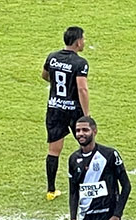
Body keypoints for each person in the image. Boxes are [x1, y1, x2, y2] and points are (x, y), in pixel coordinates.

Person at [68, 116, 131, 220]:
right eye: (78, 131)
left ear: (94, 131)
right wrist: (73, 219)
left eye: (85, 130)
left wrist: (116, 217)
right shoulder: (73, 159)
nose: (81, 134)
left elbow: (126, 186)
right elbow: (73, 191)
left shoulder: (109, 155)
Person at [42, 26, 90, 201]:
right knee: (87, 147)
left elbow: (44, 75)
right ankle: (87, 185)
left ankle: (51, 190)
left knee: (54, 150)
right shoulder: (80, 63)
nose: (84, 42)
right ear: (78, 42)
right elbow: (82, 89)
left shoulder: (52, 57)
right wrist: (86, 115)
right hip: (73, 110)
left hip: (54, 108)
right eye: (83, 39)